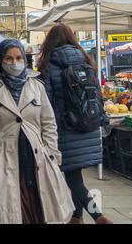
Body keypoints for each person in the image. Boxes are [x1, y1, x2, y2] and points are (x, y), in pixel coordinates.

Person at [0, 39, 75, 224]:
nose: (14, 63)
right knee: (8, 213)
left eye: (19, 58)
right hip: (4, 161)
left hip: (36, 160)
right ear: (0, 60)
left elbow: (49, 123)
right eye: (9, 58)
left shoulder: (37, 86)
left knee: (37, 211)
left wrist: (52, 153)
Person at [38, 23, 112, 224]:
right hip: (88, 126)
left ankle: (98, 216)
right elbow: (98, 97)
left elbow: (48, 104)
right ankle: (77, 217)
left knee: (73, 177)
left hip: (65, 128)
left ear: (49, 41)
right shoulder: (87, 63)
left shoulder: (48, 66)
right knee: (75, 173)